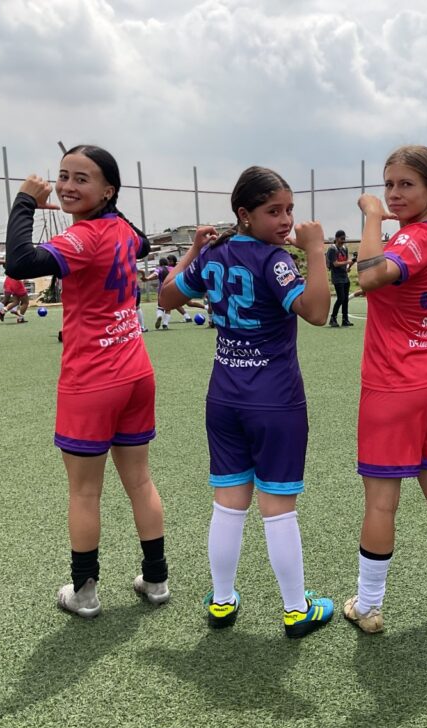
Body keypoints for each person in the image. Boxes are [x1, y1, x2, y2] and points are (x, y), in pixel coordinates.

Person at [159, 166, 334, 639]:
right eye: (273, 211)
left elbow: (167, 296)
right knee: (277, 506)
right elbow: (317, 312)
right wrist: (315, 251)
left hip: (224, 396)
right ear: (244, 214)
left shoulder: (215, 253)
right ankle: (297, 609)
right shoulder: (276, 260)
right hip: (274, 400)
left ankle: (221, 600)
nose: (285, 220)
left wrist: (194, 249)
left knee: (229, 503)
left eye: (289, 210)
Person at [4, 144, 169, 618]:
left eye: (82, 178)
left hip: (93, 380)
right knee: (139, 482)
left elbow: (19, 262)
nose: (67, 186)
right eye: (63, 176)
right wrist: (105, 204)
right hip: (136, 371)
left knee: (84, 492)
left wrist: (26, 201)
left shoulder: (86, 236)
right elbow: (143, 239)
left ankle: (84, 591)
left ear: (107, 189)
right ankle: (155, 580)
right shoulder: (120, 230)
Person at [344, 145, 427, 634]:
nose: (394, 194)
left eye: (406, 185)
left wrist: (371, 219)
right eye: (389, 185)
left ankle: (369, 605)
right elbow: (391, 282)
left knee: (382, 502)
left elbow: (369, 270)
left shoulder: (413, 237)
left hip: (392, 383)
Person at [326, 229, 355, 327]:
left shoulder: (345, 248)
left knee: (345, 299)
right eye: (342, 239)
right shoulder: (332, 249)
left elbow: (345, 263)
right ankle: (333, 318)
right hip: (337, 277)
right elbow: (335, 264)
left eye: (344, 239)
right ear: (337, 238)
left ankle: (345, 319)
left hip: (344, 276)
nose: (343, 241)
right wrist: (347, 262)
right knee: (341, 298)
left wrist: (349, 266)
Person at [141, 258, 172, 329]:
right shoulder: (172, 269)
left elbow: (155, 274)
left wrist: (147, 278)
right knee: (168, 307)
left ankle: (159, 316)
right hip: (171, 288)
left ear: (160, 263)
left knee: (160, 306)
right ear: (167, 263)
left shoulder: (159, 268)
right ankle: (165, 324)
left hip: (162, 289)